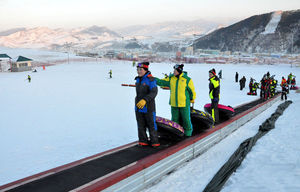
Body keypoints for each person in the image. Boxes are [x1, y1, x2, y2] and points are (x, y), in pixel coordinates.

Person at [155, 64, 196, 137]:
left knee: (186, 119)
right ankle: (176, 133)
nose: (173, 71)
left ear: (179, 71)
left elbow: (192, 91)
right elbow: (162, 82)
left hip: (184, 103)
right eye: (173, 70)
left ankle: (188, 134)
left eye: (175, 70)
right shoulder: (171, 78)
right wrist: (153, 79)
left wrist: (192, 99)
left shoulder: (187, 79)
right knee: (174, 119)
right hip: (174, 103)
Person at [135, 62, 160, 147]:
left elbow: (154, 92)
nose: (138, 71)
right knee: (140, 125)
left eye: (140, 70)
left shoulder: (151, 80)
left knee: (151, 125)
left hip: (148, 107)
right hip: (138, 106)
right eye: (137, 70)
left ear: (145, 70)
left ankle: (154, 142)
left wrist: (145, 100)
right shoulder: (138, 79)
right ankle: (143, 141)